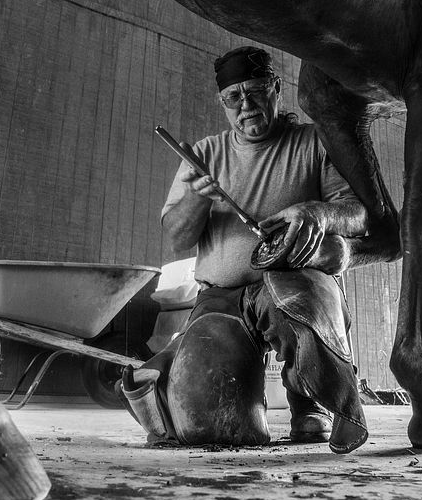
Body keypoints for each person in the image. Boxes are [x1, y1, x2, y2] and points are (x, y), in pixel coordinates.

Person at [119, 45, 370, 453]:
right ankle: (174, 375)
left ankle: (315, 404)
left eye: (255, 92)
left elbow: (358, 213)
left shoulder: (314, 142)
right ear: (223, 103)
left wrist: (318, 213)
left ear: (276, 89)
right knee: (214, 425)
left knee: (302, 305)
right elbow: (178, 237)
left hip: (296, 280)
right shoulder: (201, 155)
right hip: (220, 297)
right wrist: (197, 198)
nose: (245, 105)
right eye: (233, 97)